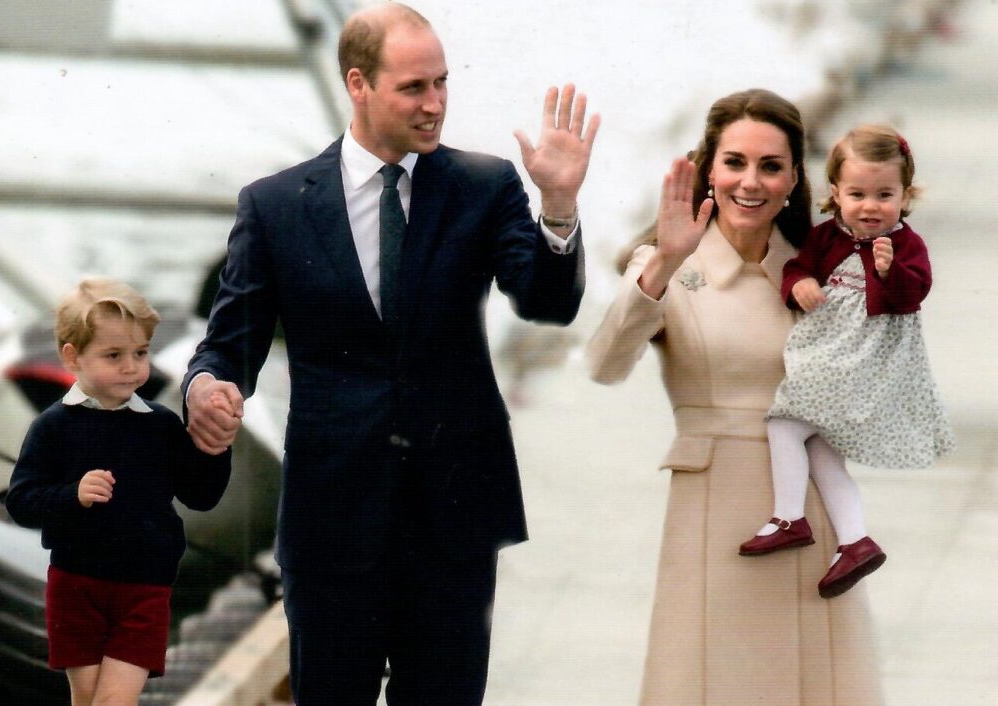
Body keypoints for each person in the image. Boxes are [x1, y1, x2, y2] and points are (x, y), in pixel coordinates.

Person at [181, 3, 599, 704]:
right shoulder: (275, 205)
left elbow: (546, 302)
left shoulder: (485, 184)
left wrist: (557, 205)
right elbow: (229, 347)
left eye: (442, 84)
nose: (435, 104)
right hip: (331, 520)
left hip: (455, 521)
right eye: (414, 88)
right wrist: (205, 390)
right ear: (359, 84)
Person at [587, 89, 882, 705]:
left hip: (806, 509)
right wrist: (664, 264)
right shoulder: (668, 264)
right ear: (708, 169)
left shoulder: (817, 269)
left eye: (770, 166)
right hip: (713, 507)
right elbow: (605, 364)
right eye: (735, 162)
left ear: (793, 177)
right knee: (709, 679)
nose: (751, 182)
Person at [740, 125, 954, 598]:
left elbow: (912, 293)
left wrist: (888, 269)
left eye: (884, 194)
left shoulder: (906, 245)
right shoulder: (827, 237)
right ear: (835, 194)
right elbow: (798, 267)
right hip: (831, 351)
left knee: (785, 424)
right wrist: (797, 285)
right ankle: (854, 540)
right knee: (821, 449)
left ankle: (789, 517)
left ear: (906, 194)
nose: (870, 206)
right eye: (857, 194)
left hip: (862, 362)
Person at [5, 278, 231, 706]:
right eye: (114, 355)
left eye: (140, 353)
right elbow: (21, 502)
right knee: (87, 699)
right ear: (72, 357)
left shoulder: (162, 425)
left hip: (143, 590)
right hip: (75, 588)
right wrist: (72, 494)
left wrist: (216, 448)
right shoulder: (52, 426)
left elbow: (201, 495)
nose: (131, 367)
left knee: (113, 702)